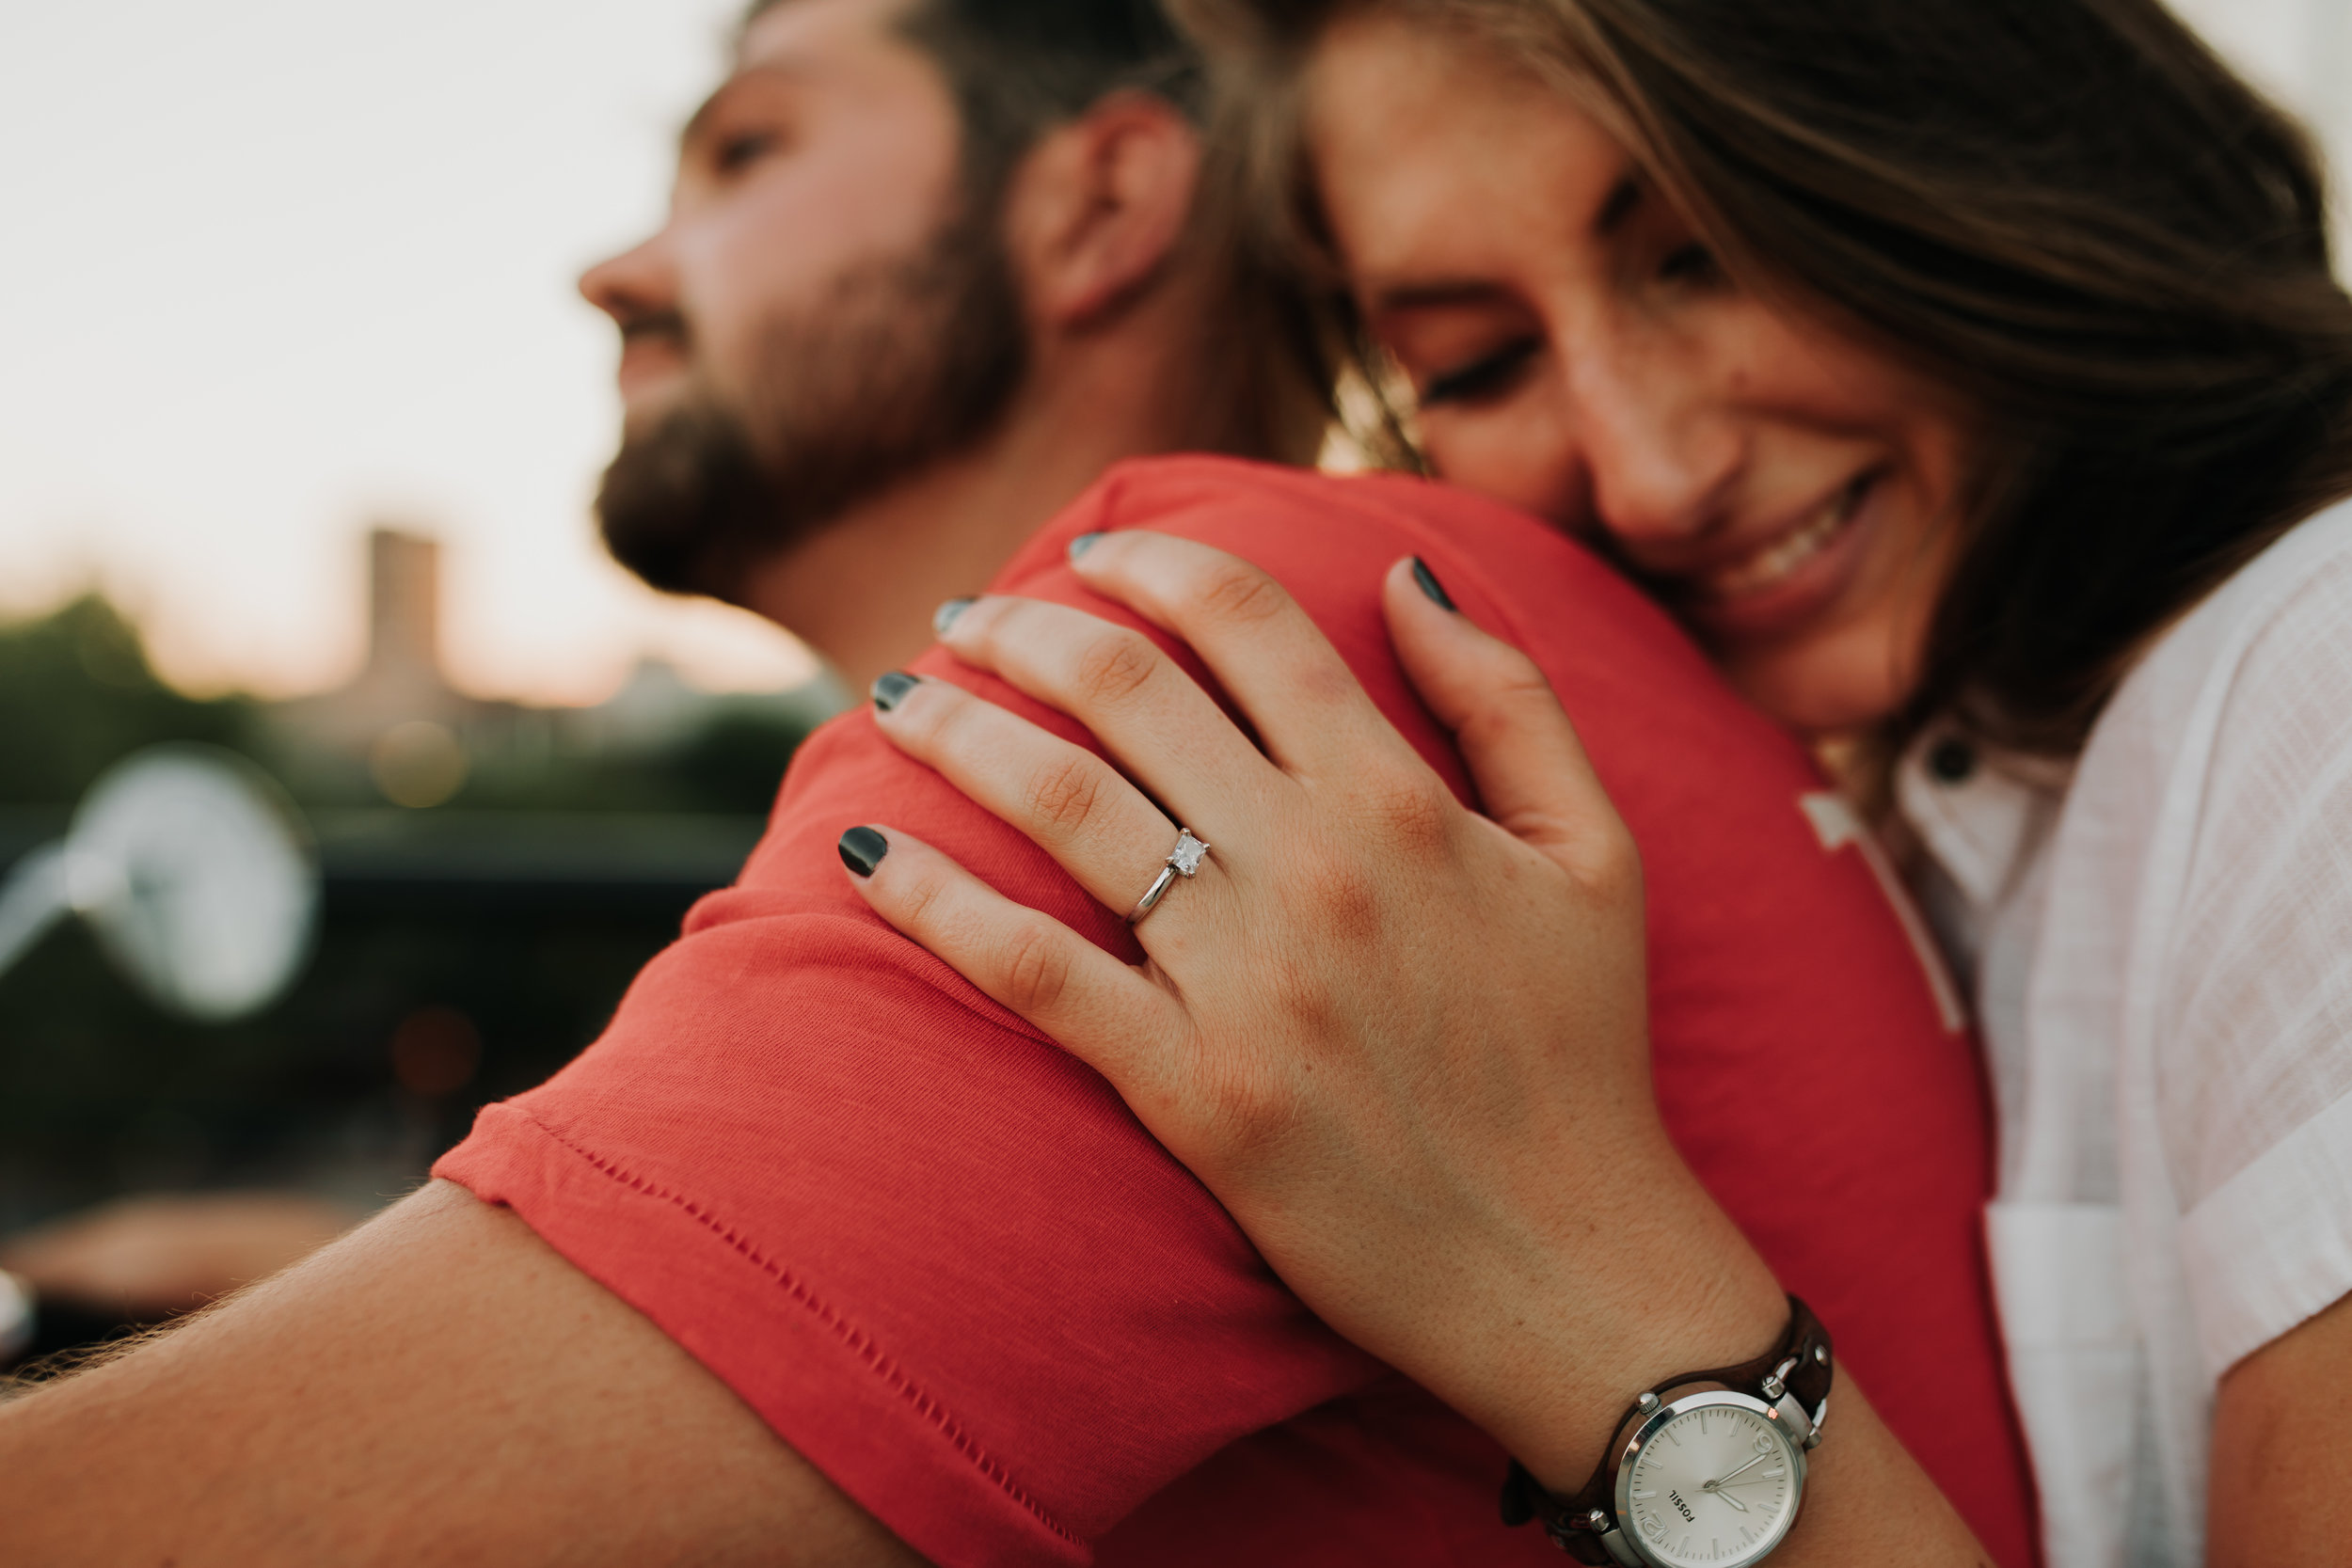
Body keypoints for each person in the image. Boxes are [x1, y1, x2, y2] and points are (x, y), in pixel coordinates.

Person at [0, 0, 2041, 1563]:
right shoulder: (1362, 633)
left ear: (1097, 202)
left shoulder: (1207, 676)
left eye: (745, 151)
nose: (612, 269)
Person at [840, 0, 2352, 1563]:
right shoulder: (1957, 794)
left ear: (2001, 145)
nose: (1648, 470)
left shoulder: (2324, 684)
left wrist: (1551, 1261)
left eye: (1700, 254)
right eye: (1481, 362)